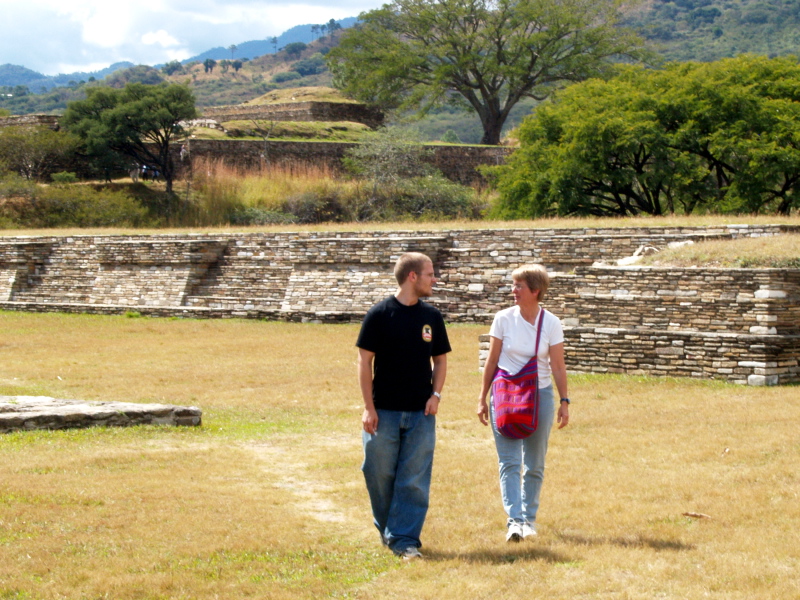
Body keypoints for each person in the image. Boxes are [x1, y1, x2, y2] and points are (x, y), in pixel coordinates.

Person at [356, 252, 451, 560]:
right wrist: (369, 407)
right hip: (383, 412)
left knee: (414, 480)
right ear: (413, 276)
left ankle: (404, 539)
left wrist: (435, 395)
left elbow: (440, 359)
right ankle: (390, 529)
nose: (434, 279)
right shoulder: (380, 314)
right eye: (429, 274)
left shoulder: (432, 317)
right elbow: (364, 362)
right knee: (378, 473)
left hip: (421, 414)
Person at [477, 264, 570, 543]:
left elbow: (557, 365)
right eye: (513, 285)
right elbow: (491, 361)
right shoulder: (503, 319)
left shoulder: (551, 322)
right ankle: (514, 522)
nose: (513, 290)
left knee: (535, 463)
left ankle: (529, 520)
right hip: (504, 394)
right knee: (509, 461)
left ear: (535, 291)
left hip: (539, 394)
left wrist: (564, 401)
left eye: (519, 286)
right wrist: (482, 398)